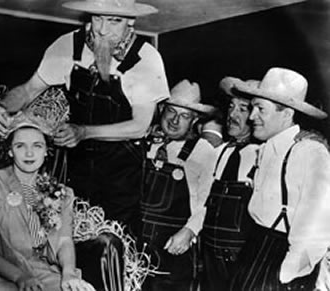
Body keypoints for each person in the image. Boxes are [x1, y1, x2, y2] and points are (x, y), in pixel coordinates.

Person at [0, 0, 170, 236]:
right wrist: (0, 106)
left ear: (131, 22)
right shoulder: (67, 45)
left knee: (112, 242)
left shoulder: (145, 58)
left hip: (122, 172)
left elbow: (139, 126)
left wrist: (84, 132)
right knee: (68, 236)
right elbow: (28, 90)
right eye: (97, 18)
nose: (103, 29)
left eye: (114, 21)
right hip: (77, 163)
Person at [0, 111, 95, 291]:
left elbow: (64, 241)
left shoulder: (62, 193)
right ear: (10, 150)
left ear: (47, 151)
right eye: (20, 146)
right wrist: (19, 276)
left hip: (41, 272)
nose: (29, 153)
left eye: (37, 146)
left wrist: (69, 274)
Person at [226, 67, 330, 290]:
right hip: (254, 248)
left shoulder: (308, 151)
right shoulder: (265, 149)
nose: (252, 116)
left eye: (260, 109)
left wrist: (286, 274)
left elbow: (317, 225)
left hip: (280, 261)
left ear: (287, 113)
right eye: (252, 108)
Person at [140, 80, 217, 291]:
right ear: (162, 110)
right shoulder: (144, 141)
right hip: (134, 240)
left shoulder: (204, 151)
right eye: (171, 112)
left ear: (194, 120)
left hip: (173, 247)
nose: (174, 121)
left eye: (184, 116)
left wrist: (189, 231)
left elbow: (209, 203)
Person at [199, 77, 260, 291]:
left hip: (242, 266)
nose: (232, 115)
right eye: (231, 107)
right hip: (210, 262)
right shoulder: (221, 151)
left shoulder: (263, 157)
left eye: (243, 109)